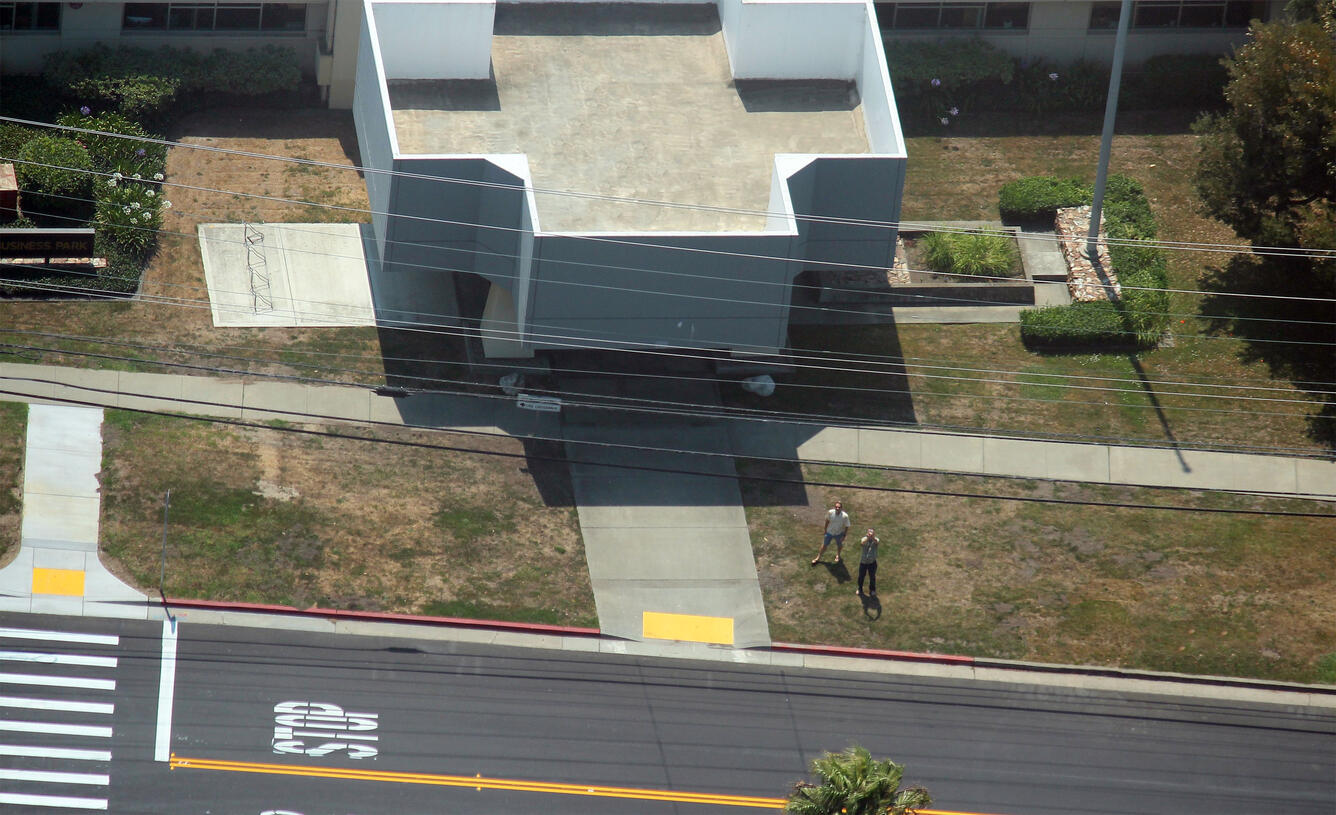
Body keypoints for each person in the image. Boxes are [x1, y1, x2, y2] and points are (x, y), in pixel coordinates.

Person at [811, 500, 851, 565]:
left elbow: (847, 526)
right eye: (836, 507)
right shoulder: (830, 512)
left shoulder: (845, 516)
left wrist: (844, 535)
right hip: (829, 532)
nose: (837, 508)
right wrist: (825, 530)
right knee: (824, 545)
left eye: (839, 507)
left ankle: (838, 555)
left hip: (839, 533)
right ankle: (818, 558)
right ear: (834, 507)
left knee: (839, 545)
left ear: (841, 508)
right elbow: (827, 521)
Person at [856, 528, 879, 597]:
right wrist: (868, 538)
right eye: (869, 532)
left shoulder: (876, 539)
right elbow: (862, 543)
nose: (870, 534)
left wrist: (873, 538)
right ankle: (860, 589)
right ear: (867, 533)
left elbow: (877, 542)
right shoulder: (864, 539)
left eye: (872, 533)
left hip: (872, 562)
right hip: (863, 562)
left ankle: (872, 590)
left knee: (872, 577)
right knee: (861, 576)